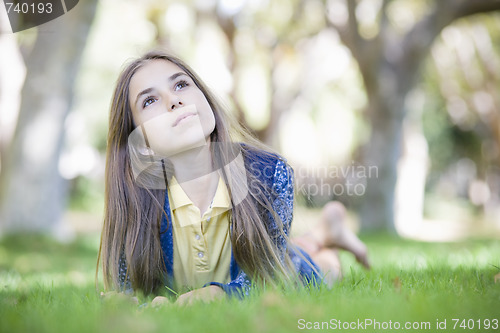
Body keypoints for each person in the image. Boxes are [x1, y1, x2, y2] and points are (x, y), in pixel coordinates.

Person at [97, 50, 369, 306]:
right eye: (150, 100)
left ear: (205, 101)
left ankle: (327, 239)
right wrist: (125, 301)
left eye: (180, 85)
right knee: (289, 248)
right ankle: (325, 230)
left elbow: (267, 277)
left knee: (315, 268)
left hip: (280, 262)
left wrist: (219, 294)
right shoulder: (134, 199)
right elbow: (130, 289)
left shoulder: (270, 174)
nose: (174, 101)